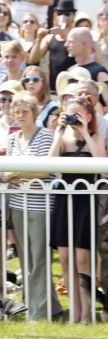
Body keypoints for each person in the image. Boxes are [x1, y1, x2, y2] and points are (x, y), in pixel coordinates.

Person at [2, 91, 63, 321]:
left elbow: (45, 170)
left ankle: (38, 312)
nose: (19, 115)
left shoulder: (45, 135)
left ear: (35, 113)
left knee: (38, 259)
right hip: (18, 205)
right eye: (16, 111)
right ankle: (51, 306)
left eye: (24, 111)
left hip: (40, 206)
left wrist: (18, 173)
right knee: (27, 259)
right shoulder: (11, 139)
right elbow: (6, 173)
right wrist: (18, 174)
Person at [49, 97, 106, 323]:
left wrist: (84, 130)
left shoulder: (97, 137)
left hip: (86, 202)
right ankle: (74, 311)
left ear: (89, 116)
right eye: (69, 113)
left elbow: (101, 165)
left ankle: (87, 313)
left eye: (78, 114)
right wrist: (58, 133)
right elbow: (50, 166)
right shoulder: (63, 138)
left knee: (84, 260)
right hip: (65, 200)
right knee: (64, 258)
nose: (73, 118)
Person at [27, 0, 77, 94]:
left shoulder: (78, 34)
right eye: (60, 13)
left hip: (73, 88)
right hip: (54, 89)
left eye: (67, 14)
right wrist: (38, 39)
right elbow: (33, 59)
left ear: (74, 15)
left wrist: (65, 37)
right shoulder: (50, 38)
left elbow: (81, 54)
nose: (63, 17)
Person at [65, 27, 108, 111]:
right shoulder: (70, 70)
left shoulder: (99, 72)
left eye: (70, 41)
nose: (66, 44)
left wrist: (95, 113)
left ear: (84, 44)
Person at [0, 41, 26, 124]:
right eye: (6, 57)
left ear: (22, 59)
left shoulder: (28, 83)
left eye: (14, 57)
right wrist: (7, 112)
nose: (10, 60)